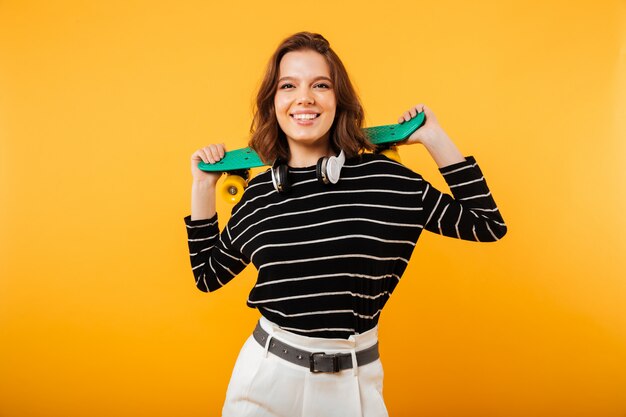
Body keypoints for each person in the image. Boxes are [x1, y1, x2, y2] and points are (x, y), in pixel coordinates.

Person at [184, 32, 506, 417]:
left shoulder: (386, 181)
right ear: (274, 102)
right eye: (289, 85)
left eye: (320, 85)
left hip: (354, 386)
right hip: (264, 381)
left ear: (339, 101)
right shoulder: (258, 197)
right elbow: (207, 275)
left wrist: (434, 137)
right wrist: (203, 185)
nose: (305, 97)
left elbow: (486, 224)